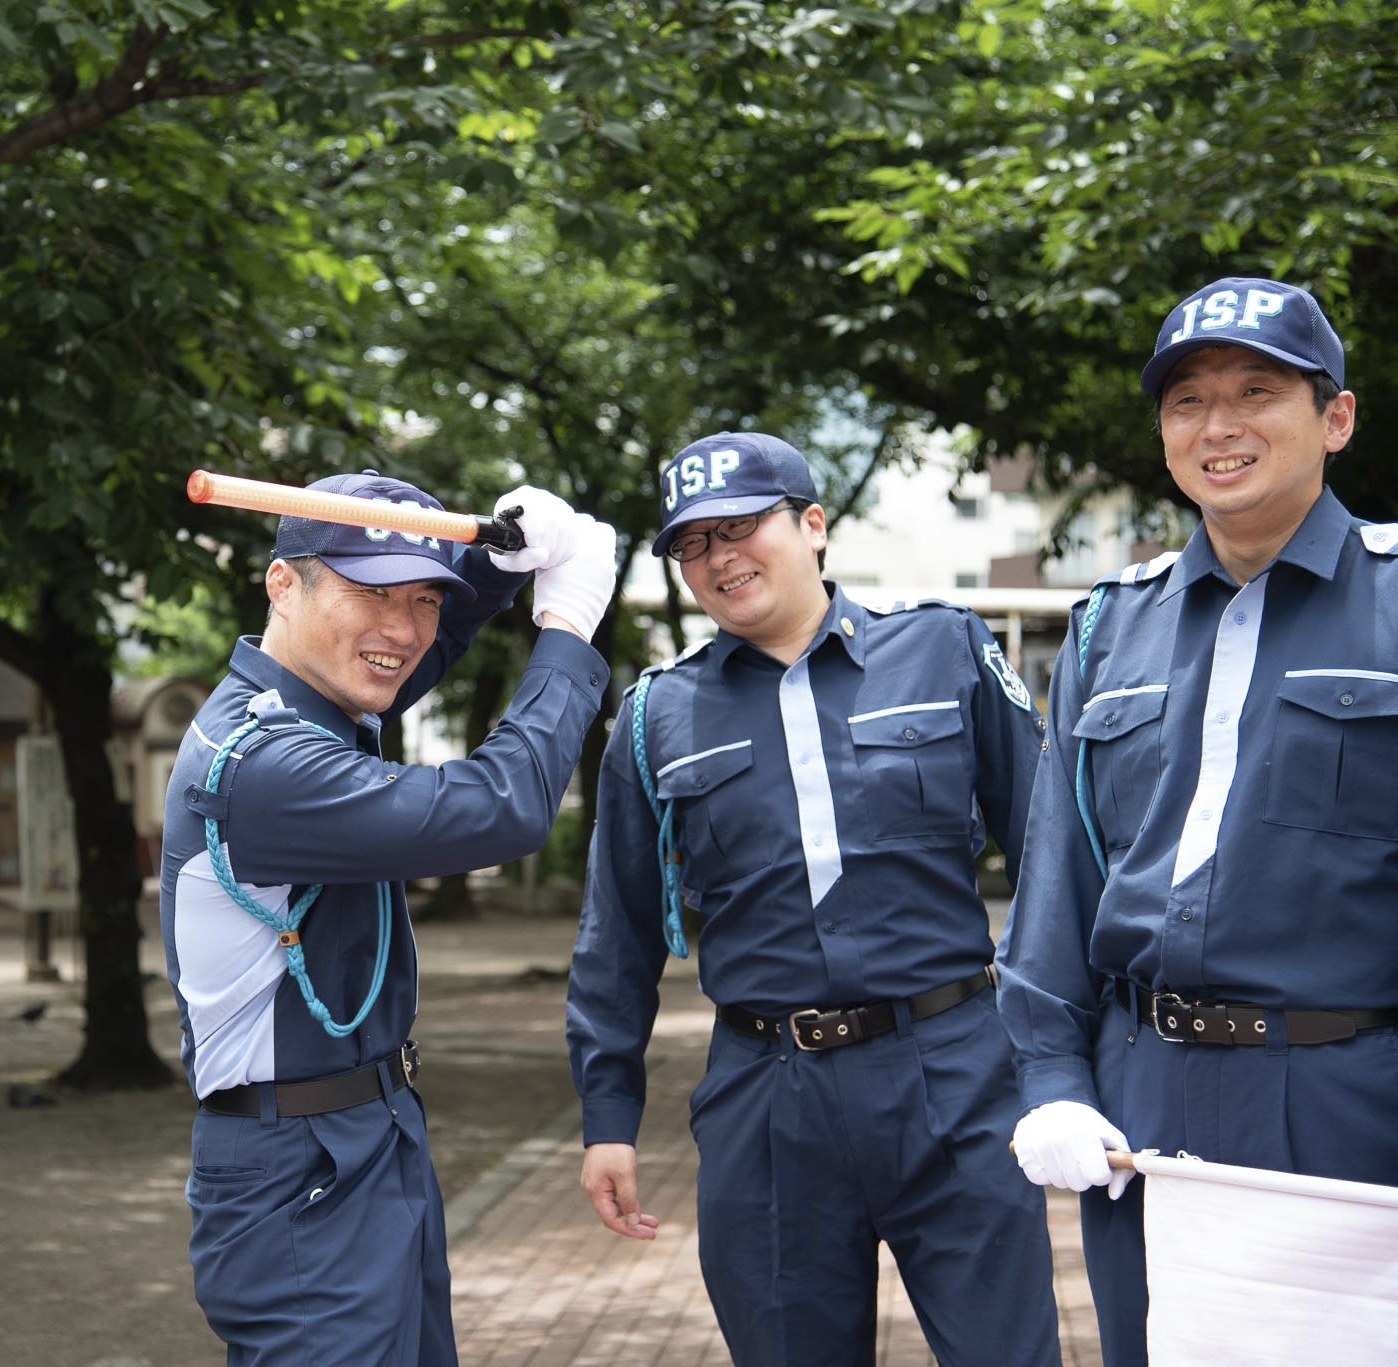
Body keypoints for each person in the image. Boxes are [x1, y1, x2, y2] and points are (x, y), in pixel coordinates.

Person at [567, 433, 1061, 1365]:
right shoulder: (654, 714)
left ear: (815, 525)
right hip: (767, 1102)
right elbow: (617, 933)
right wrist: (607, 1118)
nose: (719, 557)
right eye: (693, 544)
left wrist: (1067, 1061)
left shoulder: (944, 648)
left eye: (742, 527)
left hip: (955, 1079)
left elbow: (1054, 856)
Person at [998, 276, 1394, 1365]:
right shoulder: (1104, 631)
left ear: (1335, 417)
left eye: (1255, 391)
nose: (1216, 426)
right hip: (1141, 1103)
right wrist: (1051, 1082)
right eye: (1185, 401)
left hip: (1343, 1094)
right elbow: (1056, 884)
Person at [159, 469, 618, 1364]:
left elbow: (396, 662)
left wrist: (497, 567)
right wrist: (564, 627)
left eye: (422, 599)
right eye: (371, 592)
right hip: (299, 1168)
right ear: (282, 584)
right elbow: (501, 809)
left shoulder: (312, 710)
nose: (403, 629)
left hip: (361, 1136)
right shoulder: (262, 760)